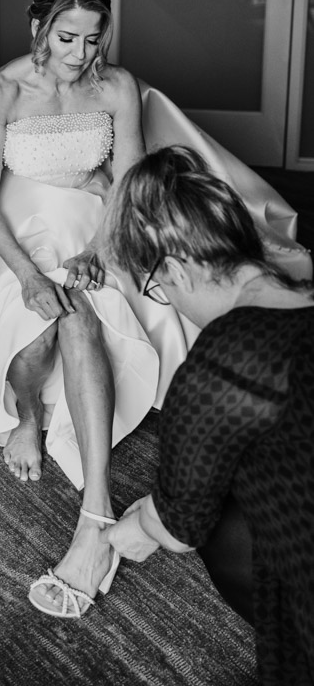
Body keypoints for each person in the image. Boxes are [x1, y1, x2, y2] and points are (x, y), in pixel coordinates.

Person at [0, 0, 163, 617]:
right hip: (16, 224)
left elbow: (129, 184)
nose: (80, 56)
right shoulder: (0, 90)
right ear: (37, 28)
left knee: (76, 318)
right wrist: (25, 273)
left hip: (97, 220)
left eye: (93, 40)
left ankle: (93, 518)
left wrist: (99, 251)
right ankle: (26, 416)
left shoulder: (118, 86)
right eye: (66, 38)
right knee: (41, 314)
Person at [102, 146, 313, 685]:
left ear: (174, 269)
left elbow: (181, 527)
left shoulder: (222, 362)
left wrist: (139, 524)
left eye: (159, 287)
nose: (167, 297)